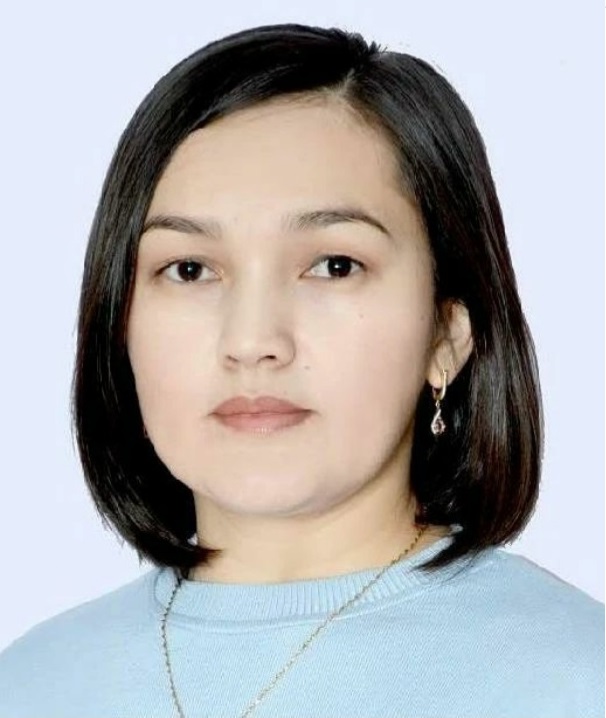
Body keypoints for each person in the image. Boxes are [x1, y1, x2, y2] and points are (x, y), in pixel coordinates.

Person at [0, 22, 602, 718]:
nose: (253, 341)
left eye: (334, 265)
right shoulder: (30, 684)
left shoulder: (579, 678)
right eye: (189, 269)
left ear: (446, 334)